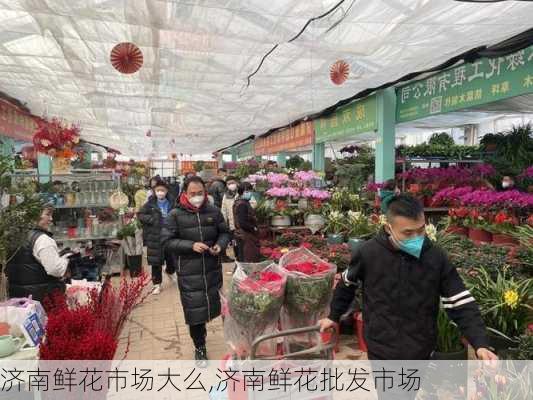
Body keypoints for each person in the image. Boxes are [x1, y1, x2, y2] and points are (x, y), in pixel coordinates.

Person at [319, 194, 497, 362]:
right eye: (408, 233)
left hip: (421, 347)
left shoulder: (435, 256)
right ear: (389, 228)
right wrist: (333, 315)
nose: (417, 238)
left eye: (421, 230)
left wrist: (480, 343)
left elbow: (459, 300)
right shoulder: (369, 253)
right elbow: (347, 283)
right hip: (380, 346)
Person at [161, 176, 231, 366]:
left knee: (217, 306)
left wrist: (219, 245)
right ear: (185, 193)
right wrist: (190, 245)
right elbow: (166, 241)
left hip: (211, 269)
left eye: (200, 193)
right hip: (189, 272)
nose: (197, 197)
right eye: (193, 194)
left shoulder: (214, 211)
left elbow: (225, 232)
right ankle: (199, 346)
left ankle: (233, 343)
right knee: (195, 312)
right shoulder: (175, 215)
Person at [6, 204, 71, 304]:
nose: (51, 219)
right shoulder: (42, 239)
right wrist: (65, 259)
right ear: (35, 215)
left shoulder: (14, 236)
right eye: (48, 215)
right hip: (41, 301)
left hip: (18, 300)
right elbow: (55, 269)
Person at [138, 180, 176, 295]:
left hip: (169, 235)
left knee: (171, 258)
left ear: (166, 191)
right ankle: (157, 284)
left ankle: (170, 271)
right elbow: (140, 215)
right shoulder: (150, 204)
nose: (160, 192)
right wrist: (152, 220)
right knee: (156, 261)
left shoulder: (172, 202)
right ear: (154, 191)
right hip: (155, 236)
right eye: (158, 190)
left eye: (162, 190)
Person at [233, 182, 260, 263]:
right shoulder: (242, 204)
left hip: (242, 234)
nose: (250, 193)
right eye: (248, 191)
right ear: (242, 192)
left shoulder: (240, 202)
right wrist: (253, 228)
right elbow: (242, 222)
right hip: (245, 235)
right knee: (247, 259)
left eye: (250, 191)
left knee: (242, 258)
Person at [221, 176, 239, 261]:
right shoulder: (226, 196)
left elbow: (253, 204)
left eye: (232, 183)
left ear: (236, 183)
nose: (231, 185)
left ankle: (242, 257)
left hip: (242, 222)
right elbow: (223, 210)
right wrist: (223, 223)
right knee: (234, 242)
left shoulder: (241, 192)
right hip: (232, 225)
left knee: (242, 242)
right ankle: (237, 257)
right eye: (229, 183)